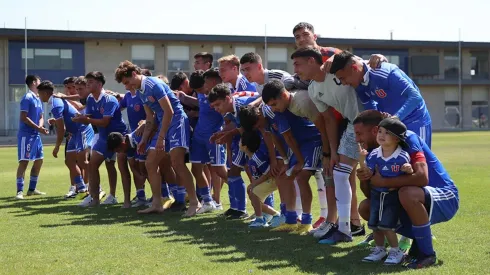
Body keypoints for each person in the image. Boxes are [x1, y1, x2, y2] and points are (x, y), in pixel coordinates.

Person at [353, 110, 459, 269]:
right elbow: (372, 194)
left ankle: (427, 254)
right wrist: (365, 178)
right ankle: (412, 245)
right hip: (411, 197)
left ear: (376, 130)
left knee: (406, 193)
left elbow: (422, 178)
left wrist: (383, 180)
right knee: (367, 207)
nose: (357, 139)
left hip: (444, 195)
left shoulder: (407, 137)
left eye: (359, 133)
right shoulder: (374, 152)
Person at [292, 47, 362, 244]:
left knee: (375, 178)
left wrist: (379, 58)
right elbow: (329, 120)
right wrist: (332, 152)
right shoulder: (313, 89)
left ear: (312, 61)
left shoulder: (338, 71)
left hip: (374, 122)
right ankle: (344, 229)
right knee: (337, 173)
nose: (295, 70)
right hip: (352, 126)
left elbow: (356, 62)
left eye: (298, 64)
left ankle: (376, 230)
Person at [115, 61, 199, 216]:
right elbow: (150, 118)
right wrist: (144, 140)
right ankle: (157, 204)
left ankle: (194, 202)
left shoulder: (153, 85)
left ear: (134, 74)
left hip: (177, 121)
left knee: (177, 162)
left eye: (127, 82)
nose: (126, 87)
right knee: (150, 162)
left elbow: (170, 111)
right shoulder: (140, 91)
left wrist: (161, 138)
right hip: (163, 124)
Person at [260, 80, 334, 230]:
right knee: (286, 176)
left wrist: (301, 161)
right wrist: (287, 162)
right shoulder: (277, 111)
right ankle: (291, 219)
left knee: (302, 176)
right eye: (271, 106)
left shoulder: (298, 103)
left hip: (313, 143)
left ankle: (307, 221)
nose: (274, 109)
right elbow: (279, 139)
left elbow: (290, 138)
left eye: (274, 104)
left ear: (282, 95)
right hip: (301, 147)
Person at [330, 51, 433, 147]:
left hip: (415, 121)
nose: (344, 83)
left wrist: (396, 118)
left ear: (354, 68)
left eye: (343, 78)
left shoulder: (384, 73)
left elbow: (416, 97)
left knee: (420, 161)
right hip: (393, 126)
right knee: (400, 163)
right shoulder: (359, 85)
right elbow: (371, 108)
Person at [359, 117, 413, 265]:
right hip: (376, 195)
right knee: (375, 224)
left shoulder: (402, 156)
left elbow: (409, 177)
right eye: (380, 131)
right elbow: (367, 172)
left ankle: (396, 251)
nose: (381, 135)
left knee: (387, 225)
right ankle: (379, 249)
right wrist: (361, 159)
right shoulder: (375, 154)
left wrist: (408, 169)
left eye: (387, 133)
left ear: (397, 139)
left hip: (392, 197)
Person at [72, 71, 129, 207]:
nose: (87, 85)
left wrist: (86, 119)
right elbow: (90, 117)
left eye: (90, 82)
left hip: (118, 137)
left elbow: (104, 122)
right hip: (103, 137)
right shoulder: (91, 99)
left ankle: (123, 200)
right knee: (93, 165)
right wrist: (80, 119)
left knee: (121, 167)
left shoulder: (109, 100)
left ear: (99, 84)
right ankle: (95, 198)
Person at [208, 83, 258, 220]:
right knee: (233, 171)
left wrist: (229, 134)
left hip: (258, 139)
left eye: (218, 104)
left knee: (256, 173)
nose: (217, 109)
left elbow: (251, 125)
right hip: (245, 138)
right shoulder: (230, 110)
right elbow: (236, 125)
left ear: (228, 98)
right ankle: (238, 208)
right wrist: (222, 133)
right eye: (214, 107)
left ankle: (263, 210)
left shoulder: (242, 105)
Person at [38, 80, 94, 198]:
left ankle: (95, 187)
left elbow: (61, 129)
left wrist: (57, 146)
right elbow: (66, 117)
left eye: (39, 93)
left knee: (83, 161)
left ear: (44, 93)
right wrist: (56, 121)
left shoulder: (55, 104)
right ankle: (82, 188)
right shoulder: (55, 101)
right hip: (74, 133)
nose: (38, 95)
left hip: (82, 130)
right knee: (69, 161)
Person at [188, 70, 227, 213]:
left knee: (219, 170)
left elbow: (224, 115)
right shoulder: (201, 94)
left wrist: (223, 132)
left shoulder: (221, 96)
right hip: (198, 136)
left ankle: (236, 197)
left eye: (203, 86)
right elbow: (201, 106)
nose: (200, 90)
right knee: (196, 168)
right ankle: (208, 200)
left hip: (213, 136)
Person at [119, 69, 152, 207]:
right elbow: (118, 108)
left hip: (145, 135)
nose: (127, 85)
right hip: (132, 137)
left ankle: (162, 194)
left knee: (145, 167)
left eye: (128, 82)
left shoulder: (142, 94)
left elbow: (151, 113)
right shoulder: (127, 96)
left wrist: (144, 125)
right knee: (134, 165)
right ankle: (141, 196)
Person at [15, 75, 47, 199]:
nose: (40, 83)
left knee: (39, 160)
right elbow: (23, 117)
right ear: (34, 82)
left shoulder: (38, 98)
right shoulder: (27, 98)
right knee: (24, 161)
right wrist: (37, 128)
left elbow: (41, 116)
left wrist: (40, 127)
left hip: (36, 134)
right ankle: (19, 191)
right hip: (26, 135)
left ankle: (32, 189)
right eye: (39, 81)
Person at [240, 130, 281, 228]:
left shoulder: (256, 158)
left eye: (240, 141)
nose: (239, 142)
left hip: (272, 180)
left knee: (254, 194)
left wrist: (253, 185)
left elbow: (268, 173)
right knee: (253, 196)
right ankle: (275, 215)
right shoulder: (250, 158)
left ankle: (260, 220)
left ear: (245, 146)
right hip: (266, 180)